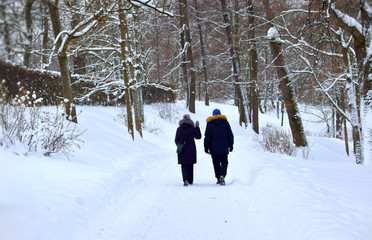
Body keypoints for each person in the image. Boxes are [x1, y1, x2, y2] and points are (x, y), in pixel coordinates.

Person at [204, 109, 234, 185]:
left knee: (216, 163)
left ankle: (218, 177)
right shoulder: (225, 123)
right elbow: (230, 134)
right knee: (224, 162)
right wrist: (231, 145)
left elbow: (207, 136)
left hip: (213, 148)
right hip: (224, 147)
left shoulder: (210, 123)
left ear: (213, 115)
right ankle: (222, 175)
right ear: (220, 114)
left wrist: (206, 147)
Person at [175, 114, 201, 186]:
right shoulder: (192, 128)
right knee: (190, 164)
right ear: (190, 119)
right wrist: (197, 128)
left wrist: (179, 145)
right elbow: (198, 137)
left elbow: (176, 140)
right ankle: (190, 180)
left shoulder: (179, 129)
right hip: (191, 148)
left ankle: (185, 179)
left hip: (182, 148)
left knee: (184, 165)